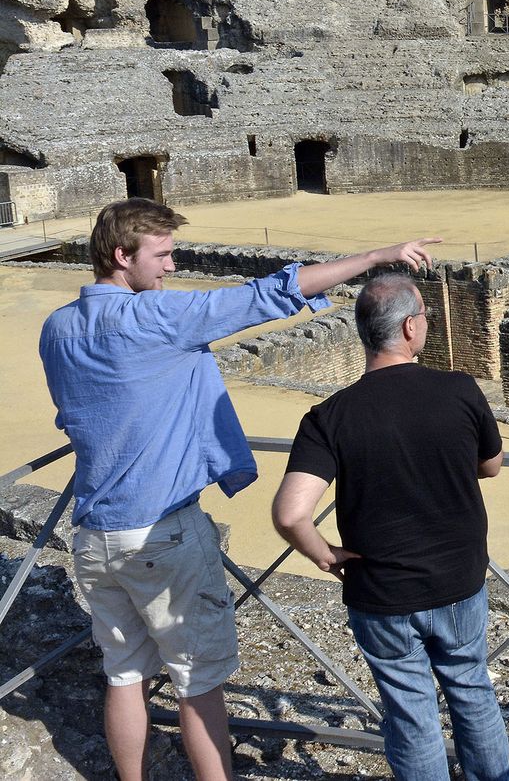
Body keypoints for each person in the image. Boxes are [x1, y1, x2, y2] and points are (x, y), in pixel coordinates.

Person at [37, 197, 439, 781]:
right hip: (162, 530)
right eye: (163, 255)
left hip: (94, 531)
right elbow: (269, 295)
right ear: (122, 256)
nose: (172, 267)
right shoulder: (155, 320)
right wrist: (378, 257)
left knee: (124, 674)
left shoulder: (56, 328)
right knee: (198, 684)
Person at [272, 271, 509, 781]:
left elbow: (291, 514)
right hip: (457, 579)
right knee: (471, 688)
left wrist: (326, 554)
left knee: (410, 714)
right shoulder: (459, 390)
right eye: (423, 315)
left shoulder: (329, 416)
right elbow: (490, 465)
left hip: (380, 590)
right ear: (408, 328)